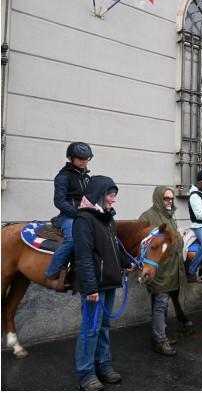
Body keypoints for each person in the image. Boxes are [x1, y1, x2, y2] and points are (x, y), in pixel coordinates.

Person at [73, 176, 134, 391]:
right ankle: (85, 373)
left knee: (104, 327)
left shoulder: (107, 218)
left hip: (109, 282)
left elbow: (112, 249)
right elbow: (83, 257)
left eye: (114, 196)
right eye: (111, 195)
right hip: (95, 287)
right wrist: (90, 287)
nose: (113, 200)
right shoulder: (83, 219)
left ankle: (103, 365)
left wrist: (126, 261)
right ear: (99, 195)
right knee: (90, 329)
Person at [138, 186, 186, 356]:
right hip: (159, 271)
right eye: (166, 198)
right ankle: (159, 341)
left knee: (162, 304)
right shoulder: (148, 217)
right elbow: (142, 244)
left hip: (172, 269)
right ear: (159, 198)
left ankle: (160, 335)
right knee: (160, 304)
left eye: (171, 198)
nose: (170, 201)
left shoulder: (168, 216)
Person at [46, 142, 93, 284]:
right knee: (72, 240)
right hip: (69, 216)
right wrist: (76, 213)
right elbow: (59, 201)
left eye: (87, 158)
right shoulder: (62, 177)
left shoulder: (87, 178)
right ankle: (52, 273)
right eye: (80, 158)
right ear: (70, 158)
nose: (84, 161)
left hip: (86, 216)